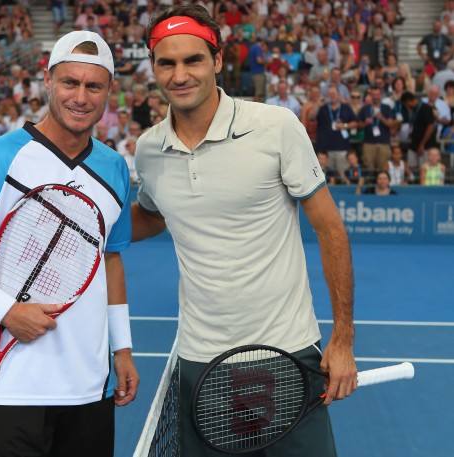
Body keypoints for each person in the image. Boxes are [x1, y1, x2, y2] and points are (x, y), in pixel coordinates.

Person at [133, 5, 357, 456]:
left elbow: (330, 229)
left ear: (217, 60)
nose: (180, 75)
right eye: (167, 63)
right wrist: (89, 227)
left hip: (287, 352)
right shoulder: (149, 149)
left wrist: (343, 338)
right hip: (200, 359)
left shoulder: (276, 127)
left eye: (193, 60)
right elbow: (154, 216)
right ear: (153, 67)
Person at [0, 30, 138, 456]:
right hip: (10, 388)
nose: (81, 97)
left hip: (89, 386)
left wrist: (122, 349)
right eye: (70, 82)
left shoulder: (115, 168)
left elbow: (109, 258)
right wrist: (9, 312)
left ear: (110, 91)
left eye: (94, 86)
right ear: (48, 80)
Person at [316, 86, 358, 175]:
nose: (332, 96)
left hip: (342, 147)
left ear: (339, 95)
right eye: (330, 94)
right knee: (326, 175)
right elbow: (312, 118)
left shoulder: (346, 107)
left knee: (342, 174)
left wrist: (344, 126)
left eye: (334, 94)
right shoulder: (323, 108)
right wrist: (317, 106)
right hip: (326, 148)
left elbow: (355, 123)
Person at [357, 86, 398, 172]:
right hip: (368, 143)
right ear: (370, 95)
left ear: (381, 95)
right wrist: (365, 123)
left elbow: (391, 124)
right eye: (373, 95)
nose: (375, 97)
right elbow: (359, 126)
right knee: (369, 169)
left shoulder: (386, 108)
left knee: (383, 170)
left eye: (377, 94)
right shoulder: (365, 109)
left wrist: (381, 117)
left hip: (383, 143)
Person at [400, 91, 438, 171]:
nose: (406, 106)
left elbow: (431, 126)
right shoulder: (414, 110)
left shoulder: (426, 108)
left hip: (426, 146)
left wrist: (422, 144)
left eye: (406, 104)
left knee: (423, 169)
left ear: (409, 101)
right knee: (411, 168)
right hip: (414, 144)